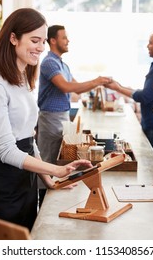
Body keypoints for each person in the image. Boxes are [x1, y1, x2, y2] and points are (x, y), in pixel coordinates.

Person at [0, 8, 92, 230]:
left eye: (42, 41)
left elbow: (28, 138)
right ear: (13, 38)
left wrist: (46, 177)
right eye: (34, 40)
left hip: (25, 176)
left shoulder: (20, 78)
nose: (40, 47)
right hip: (3, 180)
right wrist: (55, 169)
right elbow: (7, 150)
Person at [37, 25, 112, 206]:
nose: (68, 40)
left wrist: (98, 83)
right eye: (64, 37)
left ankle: (53, 201)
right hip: (50, 118)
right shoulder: (49, 63)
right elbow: (66, 87)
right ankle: (42, 204)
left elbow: (76, 88)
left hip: (61, 117)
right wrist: (96, 81)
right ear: (53, 40)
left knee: (58, 158)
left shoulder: (63, 64)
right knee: (47, 159)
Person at [104, 31, 153, 149]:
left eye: (151, 43)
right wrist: (119, 87)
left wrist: (118, 88)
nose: (147, 46)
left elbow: (145, 96)